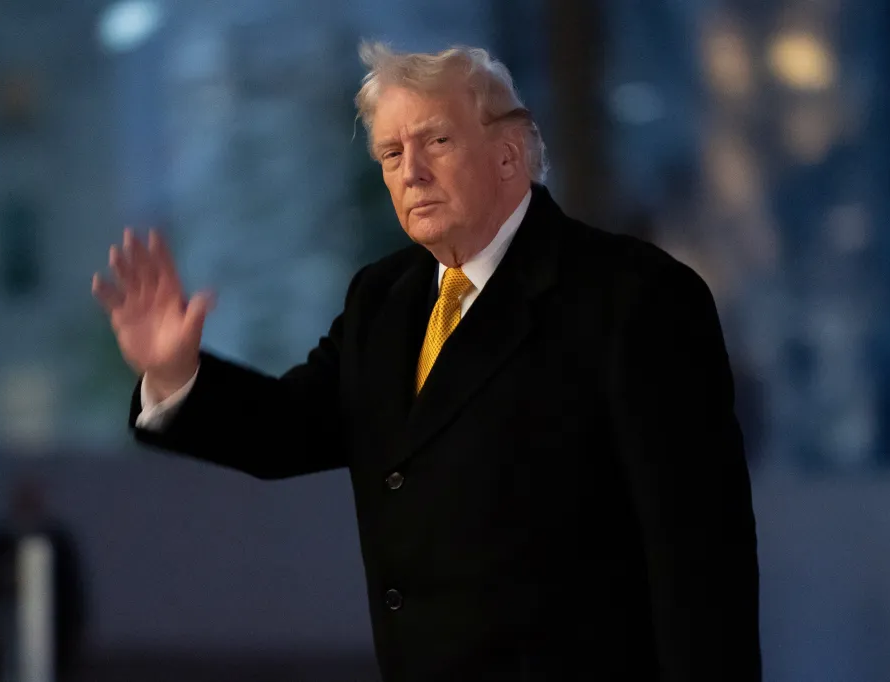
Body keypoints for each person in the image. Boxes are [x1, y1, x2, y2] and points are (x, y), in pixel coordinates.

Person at [92, 42, 760, 681]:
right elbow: (287, 428)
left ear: (507, 154)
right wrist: (175, 373)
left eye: (435, 141)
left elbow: (701, 560)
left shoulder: (634, 296)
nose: (409, 172)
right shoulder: (383, 300)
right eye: (390, 152)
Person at [0, 478, 88, 682]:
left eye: (32, 499)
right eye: (24, 499)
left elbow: (71, 588)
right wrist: (5, 578)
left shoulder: (58, 538)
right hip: (7, 627)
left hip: (53, 627)